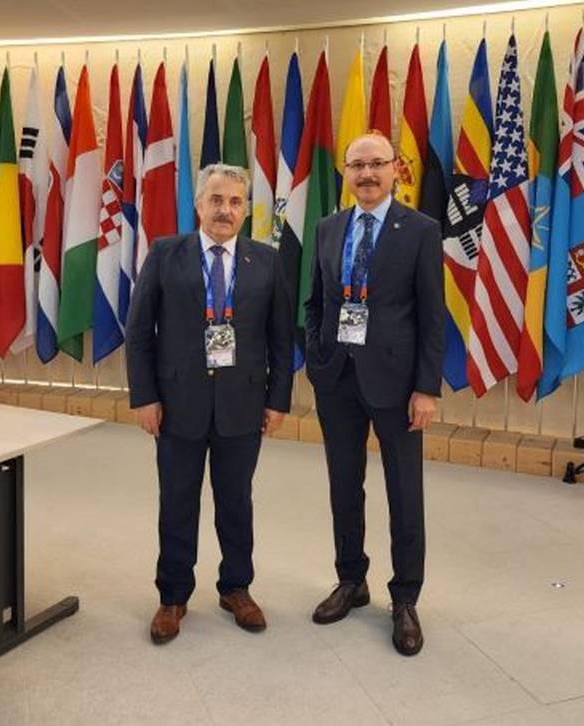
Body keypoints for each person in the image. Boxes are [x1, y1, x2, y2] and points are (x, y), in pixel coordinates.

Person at [125, 163, 294, 645]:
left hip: (243, 404)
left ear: (246, 210)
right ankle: (173, 595)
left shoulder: (267, 261)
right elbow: (139, 332)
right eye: (216, 200)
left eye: (235, 202)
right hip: (177, 404)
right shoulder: (165, 254)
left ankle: (236, 588)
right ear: (199, 205)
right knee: (177, 501)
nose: (225, 210)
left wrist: (278, 400)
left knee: (236, 502)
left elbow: (281, 339)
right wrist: (145, 397)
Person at [303, 133, 445, 656]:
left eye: (376, 164)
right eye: (357, 165)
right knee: (344, 485)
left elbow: (432, 315)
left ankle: (405, 597)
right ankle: (351, 580)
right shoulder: (328, 227)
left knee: (404, 493)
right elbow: (316, 302)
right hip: (336, 378)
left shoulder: (421, 230)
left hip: (397, 383)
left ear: (395, 169)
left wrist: (426, 388)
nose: (366, 174)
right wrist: (318, 355)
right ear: (346, 171)